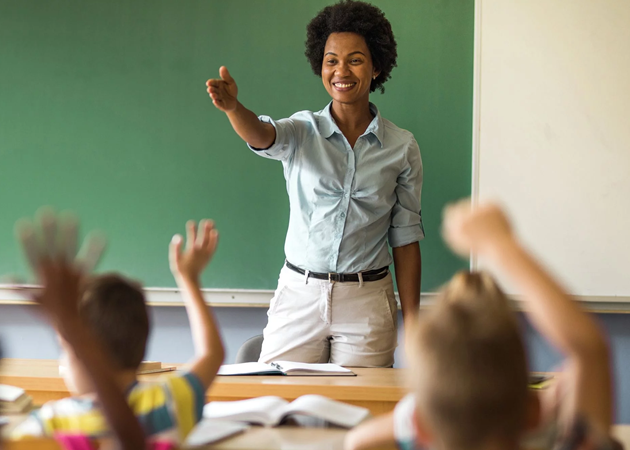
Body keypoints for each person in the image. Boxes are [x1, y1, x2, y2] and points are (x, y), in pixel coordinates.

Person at [206, 0, 423, 366]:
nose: (341, 70)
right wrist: (233, 109)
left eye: (355, 59)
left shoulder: (401, 147)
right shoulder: (302, 130)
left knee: (361, 411)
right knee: (276, 406)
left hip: (367, 301)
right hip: (300, 294)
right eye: (331, 60)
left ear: (376, 67)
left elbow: (405, 239)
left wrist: (414, 323)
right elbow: (262, 135)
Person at [344, 200, 619, 450]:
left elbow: (356, 442)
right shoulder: (568, 437)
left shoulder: (416, 424)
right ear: (533, 412)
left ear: (420, 425)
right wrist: (498, 242)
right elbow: (588, 347)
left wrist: (415, 414)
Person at [13, 214, 224, 444]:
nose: (62, 366)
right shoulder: (172, 400)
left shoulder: (50, 424)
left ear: (81, 352)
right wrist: (189, 278)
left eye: (64, 350)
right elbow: (211, 354)